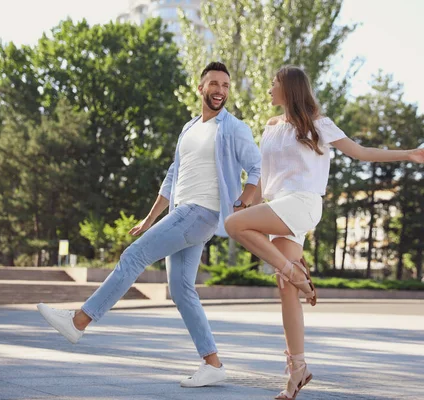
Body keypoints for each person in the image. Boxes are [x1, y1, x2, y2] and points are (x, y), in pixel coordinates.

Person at [37, 61, 261, 388]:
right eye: (214, 84)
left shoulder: (233, 128)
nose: (220, 91)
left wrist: (243, 202)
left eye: (225, 86)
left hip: (202, 212)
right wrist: (150, 217)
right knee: (182, 291)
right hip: (182, 213)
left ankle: (79, 321)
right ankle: (213, 363)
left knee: (134, 256)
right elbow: (173, 176)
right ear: (200, 88)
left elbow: (256, 167)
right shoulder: (189, 128)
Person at [224, 65, 424, 399]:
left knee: (233, 226)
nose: (268, 88)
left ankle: (294, 271)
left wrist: (408, 154)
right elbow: (264, 177)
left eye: (273, 83)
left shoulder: (318, 124)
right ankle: (298, 369)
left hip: (303, 204)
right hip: (278, 205)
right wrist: (246, 198)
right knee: (285, 289)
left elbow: (361, 153)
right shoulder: (270, 127)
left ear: (289, 89)